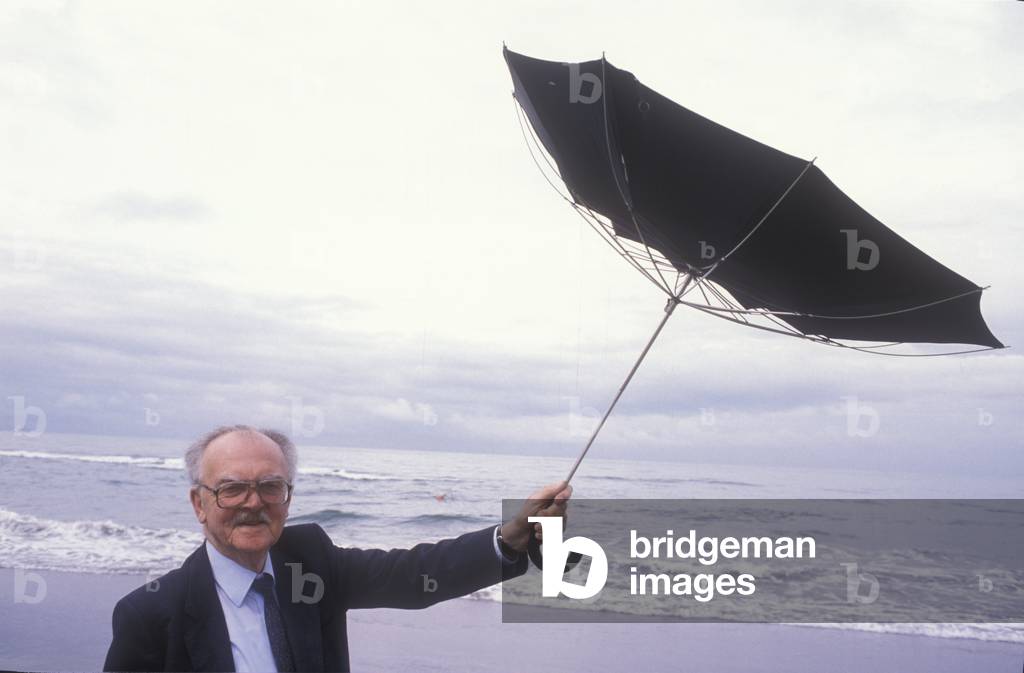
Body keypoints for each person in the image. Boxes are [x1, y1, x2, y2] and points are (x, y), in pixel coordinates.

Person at [103, 425, 571, 673]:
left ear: (287, 497)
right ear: (199, 504)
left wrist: (508, 538)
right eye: (231, 489)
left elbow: (414, 575)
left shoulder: (310, 561)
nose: (253, 503)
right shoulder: (150, 616)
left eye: (270, 486)